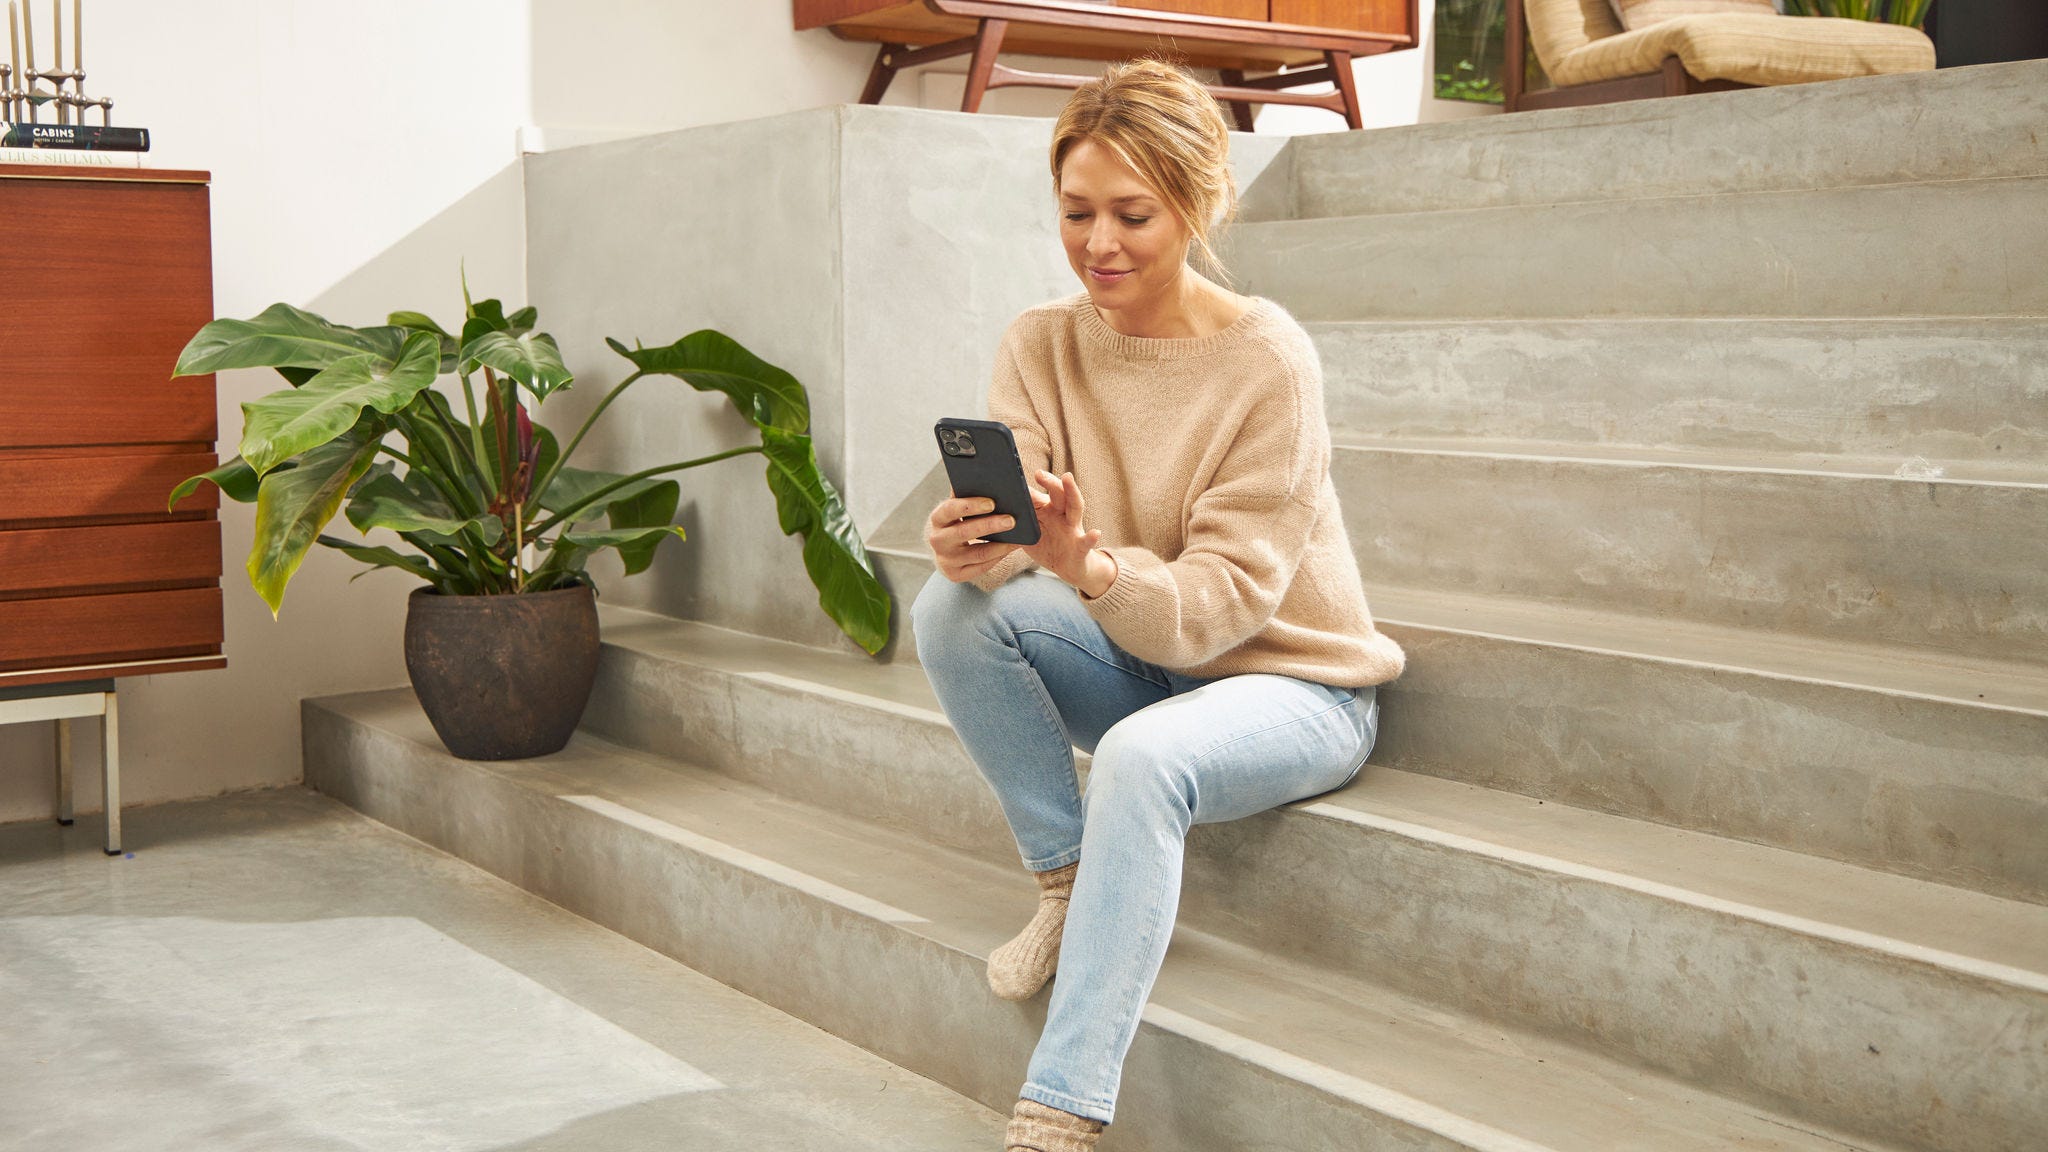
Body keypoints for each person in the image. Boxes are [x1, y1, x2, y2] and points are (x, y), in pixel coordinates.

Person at [910, 57, 1407, 1152]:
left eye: (1131, 214)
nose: (1099, 244)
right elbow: (1014, 543)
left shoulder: (1265, 360)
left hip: (1292, 685)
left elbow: (1224, 605)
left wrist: (1088, 569)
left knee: (1139, 758)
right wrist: (969, 547)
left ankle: (1061, 1108)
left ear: (1198, 203)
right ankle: (1069, 883)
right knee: (942, 613)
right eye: (1077, 212)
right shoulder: (1040, 341)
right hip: (1145, 657)